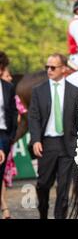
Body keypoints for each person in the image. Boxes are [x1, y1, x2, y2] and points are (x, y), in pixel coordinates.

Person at [28, 53, 78, 219]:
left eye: (53, 67)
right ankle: (43, 213)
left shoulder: (75, 91)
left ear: (64, 69)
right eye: (47, 67)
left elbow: (77, 120)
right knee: (43, 185)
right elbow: (33, 117)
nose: (49, 70)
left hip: (67, 145)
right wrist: (36, 139)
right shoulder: (38, 91)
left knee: (63, 189)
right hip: (47, 144)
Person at [0, 52, 17, 216]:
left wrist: (11, 136)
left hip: (3, 136)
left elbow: (13, 112)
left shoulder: (8, 88)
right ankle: (4, 207)